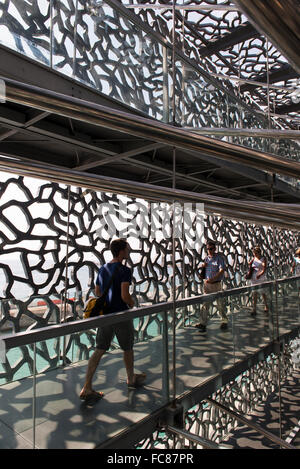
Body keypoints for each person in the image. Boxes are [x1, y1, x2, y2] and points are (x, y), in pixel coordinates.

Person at [80, 238, 146, 402]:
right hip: (120, 315)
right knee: (127, 348)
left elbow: (97, 292)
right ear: (122, 251)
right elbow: (125, 295)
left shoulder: (103, 268)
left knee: (100, 349)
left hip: (106, 316)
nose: (129, 250)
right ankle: (131, 379)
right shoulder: (124, 270)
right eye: (127, 248)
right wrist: (132, 303)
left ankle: (86, 386)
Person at [195, 241, 228, 332]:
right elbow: (204, 271)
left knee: (220, 304)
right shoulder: (206, 259)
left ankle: (224, 320)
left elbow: (221, 271)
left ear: (214, 249)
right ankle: (203, 323)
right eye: (208, 249)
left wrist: (213, 279)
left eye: (211, 249)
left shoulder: (219, 258)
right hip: (207, 285)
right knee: (205, 305)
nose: (209, 250)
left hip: (216, 284)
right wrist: (203, 268)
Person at [248, 246, 269, 316]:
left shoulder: (263, 259)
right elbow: (250, 264)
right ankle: (254, 309)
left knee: (263, 292)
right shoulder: (254, 258)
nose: (255, 254)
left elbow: (264, 268)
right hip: (254, 277)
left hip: (260, 277)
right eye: (254, 253)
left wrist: (260, 274)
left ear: (259, 252)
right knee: (254, 293)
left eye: (256, 253)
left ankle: (266, 305)